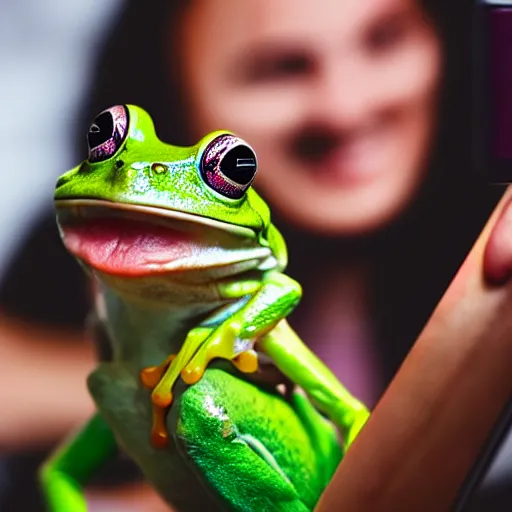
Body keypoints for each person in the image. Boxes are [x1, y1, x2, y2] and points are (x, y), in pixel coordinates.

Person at [0, 0, 505, 510]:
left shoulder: (486, 214)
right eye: (278, 68)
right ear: (177, 87)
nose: (345, 105)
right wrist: (148, 373)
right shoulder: (113, 222)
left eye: (385, 38)